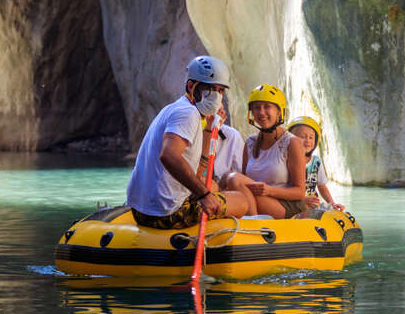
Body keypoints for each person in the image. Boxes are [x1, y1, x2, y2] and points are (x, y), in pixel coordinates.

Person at [126, 55, 252, 229]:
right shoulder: (187, 113)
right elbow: (169, 155)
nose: (216, 97)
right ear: (192, 86)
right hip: (166, 213)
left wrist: (210, 127)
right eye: (210, 89)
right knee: (241, 200)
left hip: (141, 211)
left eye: (220, 91)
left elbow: (198, 171)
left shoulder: (176, 109)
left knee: (212, 186)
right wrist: (204, 195)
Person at [224, 84, 306, 219]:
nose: (261, 112)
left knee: (234, 178)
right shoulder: (250, 143)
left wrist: (269, 190)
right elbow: (243, 183)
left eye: (267, 106)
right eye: (257, 108)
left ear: (279, 111)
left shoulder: (292, 143)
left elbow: (300, 192)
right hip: (257, 200)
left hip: (286, 205)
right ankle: (253, 219)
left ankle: (253, 223)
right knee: (229, 181)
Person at [286, 116, 345, 211]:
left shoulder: (316, 162)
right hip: (292, 203)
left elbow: (322, 187)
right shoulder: (285, 160)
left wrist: (332, 203)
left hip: (312, 204)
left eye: (311, 137)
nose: (307, 140)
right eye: (302, 137)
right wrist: (302, 199)